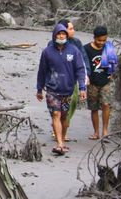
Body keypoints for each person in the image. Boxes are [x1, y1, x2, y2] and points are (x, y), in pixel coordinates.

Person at [36, 24, 87, 155]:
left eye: (63, 34)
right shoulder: (47, 52)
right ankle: (59, 144)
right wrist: (39, 89)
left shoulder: (74, 51)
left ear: (66, 36)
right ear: (54, 35)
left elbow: (80, 70)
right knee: (56, 114)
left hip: (68, 90)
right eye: (59, 34)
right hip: (52, 90)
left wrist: (82, 87)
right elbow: (42, 71)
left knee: (64, 118)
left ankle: (62, 141)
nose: (61, 36)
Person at [47, 19, 90, 142]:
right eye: (70, 29)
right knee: (56, 109)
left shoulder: (76, 43)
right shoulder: (51, 44)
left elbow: (83, 60)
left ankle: (63, 124)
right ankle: (58, 128)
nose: (73, 31)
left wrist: (86, 76)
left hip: (72, 80)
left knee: (72, 103)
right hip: (55, 81)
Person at [84, 26, 117, 140]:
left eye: (104, 40)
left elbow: (113, 62)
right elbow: (83, 65)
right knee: (94, 108)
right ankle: (96, 132)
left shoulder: (108, 48)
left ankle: (105, 130)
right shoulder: (86, 49)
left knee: (106, 104)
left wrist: (112, 72)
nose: (101, 43)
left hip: (106, 81)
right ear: (94, 38)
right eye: (99, 40)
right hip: (92, 82)